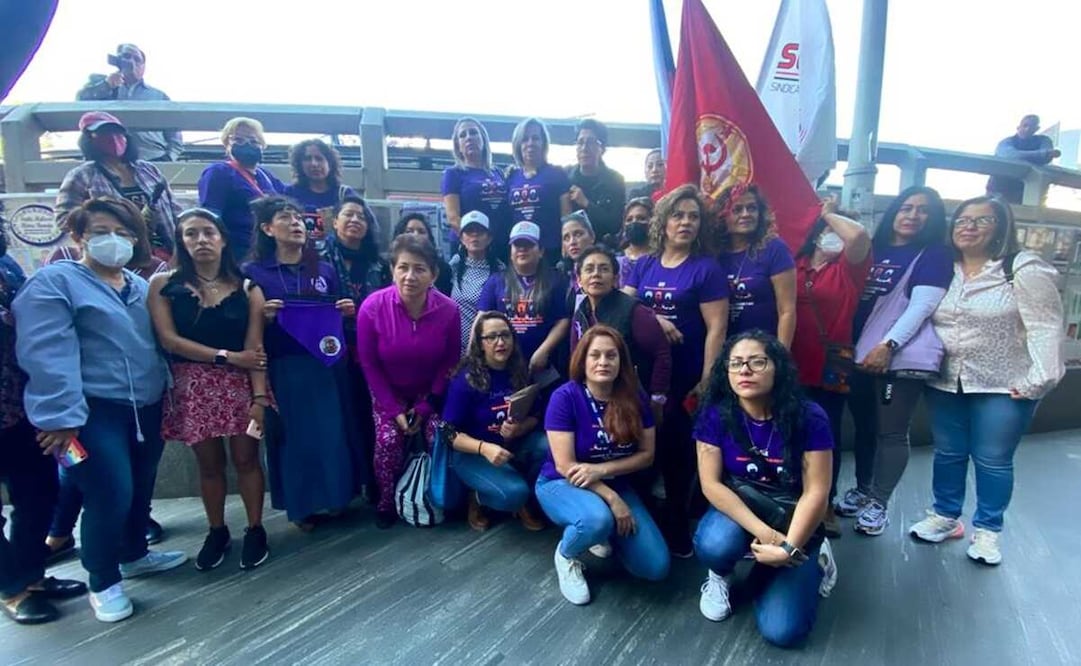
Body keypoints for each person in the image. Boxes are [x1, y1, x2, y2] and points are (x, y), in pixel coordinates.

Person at [13, 197, 187, 623]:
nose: (115, 241)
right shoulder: (55, 282)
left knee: (139, 487)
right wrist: (59, 416)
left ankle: (133, 554)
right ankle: (103, 580)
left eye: (124, 233)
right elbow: (46, 350)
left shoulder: (139, 286)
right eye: (102, 232)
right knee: (109, 492)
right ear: (78, 236)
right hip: (87, 414)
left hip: (144, 406)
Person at [909, 196, 1064, 565]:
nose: (969, 226)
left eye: (982, 220)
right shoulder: (944, 268)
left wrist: (1038, 380)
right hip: (947, 380)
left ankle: (988, 532)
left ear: (1000, 227)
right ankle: (945, 517)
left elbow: (1045, 326)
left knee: (993, 459)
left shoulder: (1021, 269)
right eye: (962, 219)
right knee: (948, 453)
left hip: (1004, 383)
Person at [147, 208, 270, 571]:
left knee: (248, 460)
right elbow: (169, 340)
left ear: (222, 238)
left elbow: (256, 350)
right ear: (181, 241)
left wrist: (260, 397)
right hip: (194, 387)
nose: (201, 240)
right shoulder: (164, 284)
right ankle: (217, 530)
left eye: (208, 232)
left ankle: (255, 528)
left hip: (241, 386)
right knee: (209, 465)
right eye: (191, 233)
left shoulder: (248, 287)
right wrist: (227, 357)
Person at [693, 331, 833, 647]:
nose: (745, 370)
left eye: (757, 362)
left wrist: (789, 547)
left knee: (782, 631)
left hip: (793, 515)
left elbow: (817, 492)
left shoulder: (810, 417)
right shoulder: (714, 414)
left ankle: (814, 557)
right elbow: (711, 484)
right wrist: (768, 536)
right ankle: (722, 574)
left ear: (778, 367)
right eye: (736, 363)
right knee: (715, 544)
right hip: (743, 505)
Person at [838, 186, 953, 536]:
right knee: (865, 427)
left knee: (890, 431)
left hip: (893, 364)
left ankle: (879, 501)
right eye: (906, 208)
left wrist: (888, 345)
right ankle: (862, 487)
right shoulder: (877, 249)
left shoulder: (933, 255)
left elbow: (921, 307)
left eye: (923, 211)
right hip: (858, 356)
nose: (912, 216)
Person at [621, 184, 729, 557]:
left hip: (686, 375)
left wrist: (708, 378)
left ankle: (678, 525)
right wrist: (655, 317)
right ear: (663, 222)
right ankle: (638, 520)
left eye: (693, 216)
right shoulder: (644, 263)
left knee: (679, 452)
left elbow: (717, 328)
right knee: (639, 444)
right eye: (678, 215)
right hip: (643, 374)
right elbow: (625, 306)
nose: (685, 222)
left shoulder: (706, 268)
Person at [242, 196, 361, 531]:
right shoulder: (254, 273)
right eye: (285, 218)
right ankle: (303, 506)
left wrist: (346, 312)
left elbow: (338, 314)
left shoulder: (322, 269)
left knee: (332, 435)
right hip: (284, 367)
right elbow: (243, 328)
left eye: (298, 218)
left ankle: (338, 497)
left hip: (326, 365)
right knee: (294, 440)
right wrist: (262, 316)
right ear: (267, 228)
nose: (296, 223)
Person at [537, 326, 669, 605]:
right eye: (595, 355)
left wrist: (602, 472)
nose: (603, 362)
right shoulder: (565, 397)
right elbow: (565, 465)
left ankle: (604, 532)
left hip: (613, 483)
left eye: (611, 355)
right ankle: (567, 554)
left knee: (655, 567)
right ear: (582, 360)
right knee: (597, 519)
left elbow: (647, 455)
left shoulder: (635, 397)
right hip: (561, 483)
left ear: (622, 361)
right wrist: (612, 499)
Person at [1, 228, 87, 625]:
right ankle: (12, 588)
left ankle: (33, 574)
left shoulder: (7, 268)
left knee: (39, 493)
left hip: (22, 406)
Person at [356, 234, 462, 528]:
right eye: (403, 267)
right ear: (392, 269)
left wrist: (428, 404)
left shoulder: (449, 310)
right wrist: (393, 409)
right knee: (389, 441)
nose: (410, 276)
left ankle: (440, 496)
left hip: (431, 392)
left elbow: (450, 361)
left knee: (437, 437)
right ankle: (387, 501)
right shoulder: (372, 308)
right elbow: (369, 363)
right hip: (388, 394)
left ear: (434, 274)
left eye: (419, 268)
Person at [790, 199, 872, 538]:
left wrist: (825, 212)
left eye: (834, 228)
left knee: (826, 436)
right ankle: (794, 499)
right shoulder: (795, 264)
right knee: (787, 434)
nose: (831, 234)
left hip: (829, 366)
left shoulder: (849, 269)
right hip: (791, 363)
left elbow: (858, 236)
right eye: (823, 230)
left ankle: (825, 504)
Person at [443, 312, 548, 532]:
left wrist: (520, 428)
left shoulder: (520, 370)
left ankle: (524, 499)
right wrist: (484, 448)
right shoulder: (466, 379)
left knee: (548, 447)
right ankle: (478, 497)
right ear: (480, 344)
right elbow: (448, 433)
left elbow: (537, 416)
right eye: (491, 337)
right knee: (513, 494)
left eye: (505, 335)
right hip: (473, 453)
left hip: (513, 445)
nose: (500, 342)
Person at [321, 196, 392, 503]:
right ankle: (342, 486)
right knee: (337, 418)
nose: (354, 221)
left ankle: (374, 481)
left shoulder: (378, 262)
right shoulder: (317, 261)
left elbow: (390, 304)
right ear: (334, 221)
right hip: (328, 351)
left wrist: (361, 310)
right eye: (347, 215)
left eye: (361, 217)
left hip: (371, 350)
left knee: (368, 416)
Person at [55, 111, 180, 260]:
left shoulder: (148, 170)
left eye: (118, 133)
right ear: (88, 139)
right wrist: (103, 225)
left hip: (163, 253)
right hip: (114, 257)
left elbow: (175, 211)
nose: (113, 138)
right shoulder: (81, 175)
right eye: (104, 134)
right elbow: (64, 219)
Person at [571, 245, 672, 411]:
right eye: (589, 269)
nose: (596, 274)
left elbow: (662, 354)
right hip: (591, 396)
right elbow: (576, 357)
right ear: (579, 280)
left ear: (615, 278)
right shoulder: (580, 311)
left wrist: (657, 398)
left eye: (603, 269)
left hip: (630, 397)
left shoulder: (634, 311)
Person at [478, 221, 570, 377]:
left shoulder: (556, 280)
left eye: (528, 245)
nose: (522, 249)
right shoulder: (496, 281)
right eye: (517, 245)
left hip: (545, 365)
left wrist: (544, 350)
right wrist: (472, 357)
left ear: (541, 251)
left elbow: (563, 320)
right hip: (505, 363)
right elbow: (481, 320)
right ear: (511, 251)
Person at [715, 184, 797, 347]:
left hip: (763, 350)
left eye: (751, 208)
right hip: (723, 350)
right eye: (737, 210)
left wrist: (781, 357)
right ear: (723, 216)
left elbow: (786, 310)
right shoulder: (714, 253)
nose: (746, 214)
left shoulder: (775, 248)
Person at [198, 118, 286, 261]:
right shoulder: (219, 172)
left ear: (262, 145)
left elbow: (289, 199)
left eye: (253, 141)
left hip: (270, 250)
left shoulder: (266, 175)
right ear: (227, 144)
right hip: (237, 253)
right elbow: (210, 215)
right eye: (238, 140)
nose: (246, 145)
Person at [76, 43, 182, 162]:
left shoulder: (159, 96)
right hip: (108, 161)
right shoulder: (101, 86)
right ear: (116, 60)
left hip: (153, 158)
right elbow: (81, 102)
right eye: (126, 56)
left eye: (137, 59)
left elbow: (175, 137)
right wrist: (106, 86)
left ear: (143, 67)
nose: (131, 62)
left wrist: (168, 159)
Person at [506, 117, 572, 262]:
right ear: (518, 144)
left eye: (535, 138)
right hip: (520, 252)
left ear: (543, 143)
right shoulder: (510, 177)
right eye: (525, 139)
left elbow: (566, 216)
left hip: (550, 251)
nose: (530, 143)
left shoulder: (557, 174)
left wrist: (565, 245)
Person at [441, 118, 512, 248]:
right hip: (470, 248)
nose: (468, 138)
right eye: (463, 135)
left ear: (483, 139)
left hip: (501, 244)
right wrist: (476, 242)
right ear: (458, 147)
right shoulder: (453, 174)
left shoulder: (499, 173)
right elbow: (453, 218)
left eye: (473, 132)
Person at [284, 139, 359, 249]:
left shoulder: (344, 194)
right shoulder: (290, 194)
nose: (314, 164)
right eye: (308, 159)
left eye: (319, 158)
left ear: (330, 163)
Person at [449, 210, 504, 354]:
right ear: (461, 238)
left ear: (489, 238)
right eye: (469, 231)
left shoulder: (500, 271)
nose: (474, 235)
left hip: (488, 348)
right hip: (453, 347)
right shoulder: (453, 266)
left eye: (480, 231)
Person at [567, 119, 626, 246]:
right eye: (580, 142)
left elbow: (615, 224)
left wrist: (587, 204)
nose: (584, 148)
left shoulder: (615, 180)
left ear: (602, 149)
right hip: (571, 249)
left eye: (591, 142)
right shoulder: (565, 177)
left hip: (604, 249)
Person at [986, 115, 1061, 204]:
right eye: (1025, 125)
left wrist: (1044, 154)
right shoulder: (1006, 142)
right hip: (999, 189)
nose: (1027, 129)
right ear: (1018, 127)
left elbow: (1047, 158)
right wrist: (1043, 154)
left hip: (1027, 191)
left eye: (1032, 127)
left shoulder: (1043, 140)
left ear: (1037, 129)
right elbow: (1010, 155)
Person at [394, 213, 454, 296]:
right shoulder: (388, 267)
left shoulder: (443, 268)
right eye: (409, 231)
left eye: (421, 231)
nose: (415, 235)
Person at [558, 210, 596, 310]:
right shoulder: (562, 273)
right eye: (566, 238)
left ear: (592, 236)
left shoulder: (610, 266)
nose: (572, 242)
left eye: (578, 234)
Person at [618, 197, 654, 287]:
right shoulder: (616, 257)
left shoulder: (662, 258)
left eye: (641, 218)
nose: (634, 223)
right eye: (629, 220)